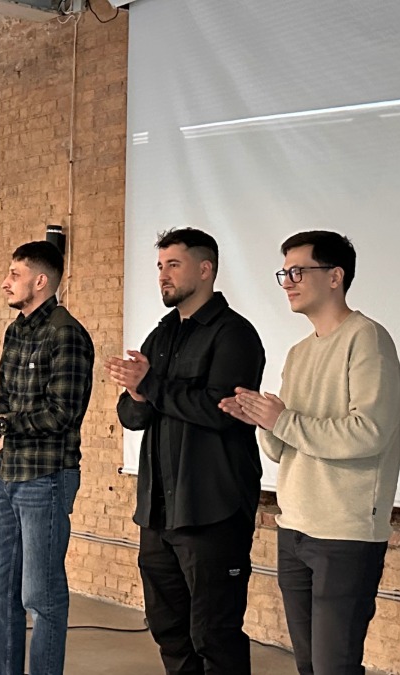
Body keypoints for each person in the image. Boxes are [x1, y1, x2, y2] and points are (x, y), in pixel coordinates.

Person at [221, 230, 400, 675]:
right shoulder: (299, 352)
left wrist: (282, 421)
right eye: (284, 272)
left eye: (299, 271)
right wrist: (262, 421)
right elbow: (284, 449)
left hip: (345, 532)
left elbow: (369, 433)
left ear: (335, 277)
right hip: (294, 527)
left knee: (333, 667)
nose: (288, 281)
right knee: (308, 665)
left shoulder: (367, 338)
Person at [108, 228, 265, 675]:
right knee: (167, 628)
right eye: (160, 266)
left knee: (214, 634)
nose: (163, 276)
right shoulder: (161, 336)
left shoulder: (235, 335)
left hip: (212, 511)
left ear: (205, 269)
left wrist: (151, 386)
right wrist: (137, 393)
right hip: (159, 513)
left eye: (173, 265)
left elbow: (221, 411)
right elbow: (132, 416)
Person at [0, 241, 95, 675]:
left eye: (15, 274)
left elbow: (62, 413)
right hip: (7, 477)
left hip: (46, 478)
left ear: (41, 281)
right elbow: (5, 403)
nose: (5, 282)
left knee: (41, 597)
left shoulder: (67, 334)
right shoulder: (16, 331)